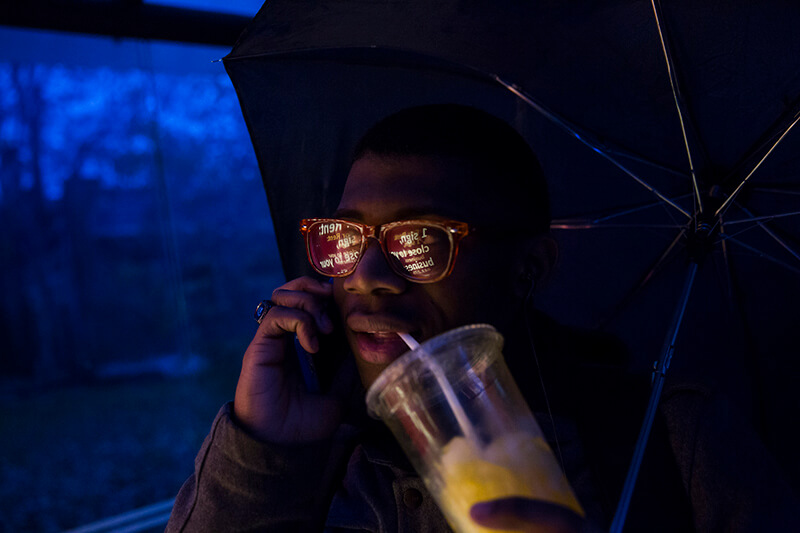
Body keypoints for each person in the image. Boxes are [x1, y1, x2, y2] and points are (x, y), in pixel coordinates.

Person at [166, 104, 798, 532]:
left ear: (527, 270)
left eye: (420, 241)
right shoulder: (315, 452)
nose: (367, 276)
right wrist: (265, 451)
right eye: (345, 238)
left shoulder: (671, 446)